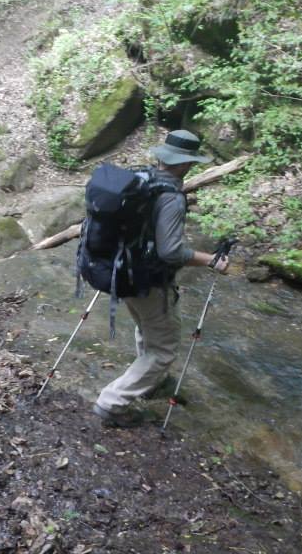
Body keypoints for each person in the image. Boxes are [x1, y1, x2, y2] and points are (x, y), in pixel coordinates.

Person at [93, 129, 229, 428]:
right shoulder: (170, 197)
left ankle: (150, 382)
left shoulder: (139, 178)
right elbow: (170, 252)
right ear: (185, 163)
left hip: (118, 272)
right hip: (147, 281)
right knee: (163, 350)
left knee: (147, 327)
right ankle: (112, 403)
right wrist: (210, 260)